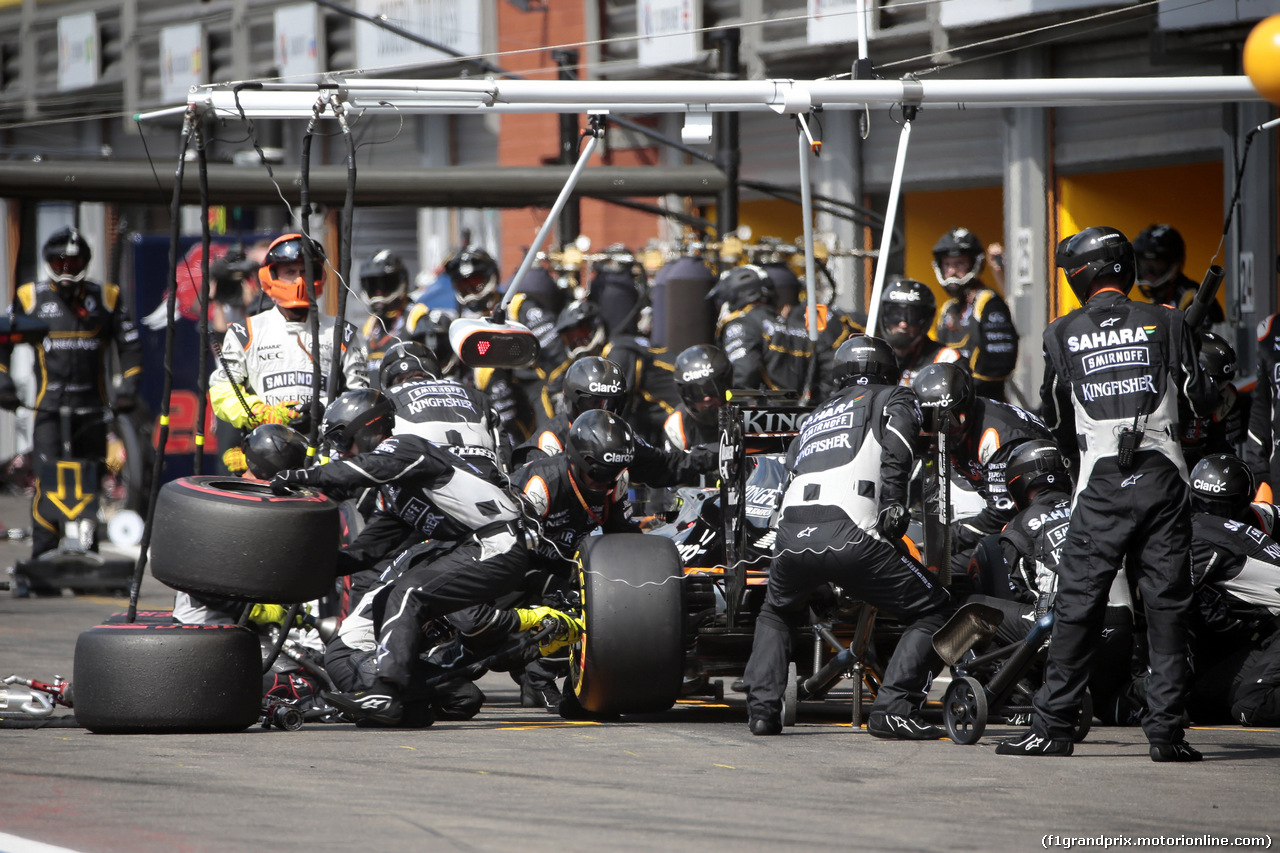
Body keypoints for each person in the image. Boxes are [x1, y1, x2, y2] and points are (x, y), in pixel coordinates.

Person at [996, 225, 1218, 760]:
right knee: (1167, 607)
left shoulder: (1060, 333)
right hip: (1165, 474)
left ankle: (1053, 726)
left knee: (1079, 603)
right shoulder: (1167, 320)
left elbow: (1053, 417)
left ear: (1080, 275)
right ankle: (1167, 733)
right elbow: (1202, 399)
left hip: (1100, 481)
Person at [268, 389, 533, 725]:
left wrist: (302, 476)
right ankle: (409, 702)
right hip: (472, 548)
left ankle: (386, 689)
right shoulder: (396, 492)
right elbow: (366, 552)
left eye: (341, 440)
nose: (339, 452)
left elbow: (363, 468)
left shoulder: (406, 447)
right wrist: (306, 570)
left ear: (365, 430)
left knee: (408, 592)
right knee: (400, 592)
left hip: (498, 543)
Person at [741, 335, 953, 739]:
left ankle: (763, 712)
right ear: (888, 370)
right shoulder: (896, 397)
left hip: (790, 535)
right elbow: (900, 445)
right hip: (851, 532)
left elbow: (789, 473)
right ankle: (893, 709)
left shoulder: (815, 416)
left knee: (776, 612)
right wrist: (894, 502)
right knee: (936, 610)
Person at [0, 227, 143, 561]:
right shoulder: (29, 296)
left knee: (91, 477)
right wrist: (4, 385)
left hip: (93, 408)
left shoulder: (106, 296)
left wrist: (127, 390)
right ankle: (43, 555)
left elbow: (131, 347)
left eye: (74, 261)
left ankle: (87, 553)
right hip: (47, 408)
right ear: (48, 262)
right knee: (46, 479)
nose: (66, 268)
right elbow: (2, 342)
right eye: (59, 262)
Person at [511, 409, 641, 711]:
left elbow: (623, 540)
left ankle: (577, 685)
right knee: (566, 603)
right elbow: (507, 555)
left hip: (562, 565)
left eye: (611, 474)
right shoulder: (539, 486)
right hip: (514, 569)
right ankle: (536, 676)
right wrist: (553, 586)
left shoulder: (616, 482)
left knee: (604, 600)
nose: (603, 482)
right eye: (597, 474)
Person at [208, 233, 369, 457]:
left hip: (325, 452)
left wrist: (324, 410)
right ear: (271, 276)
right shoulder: (245, 331)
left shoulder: (343, 332)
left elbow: (361, 397)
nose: (299, 280)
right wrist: (259, 412)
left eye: (305, 272)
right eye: (290, 273)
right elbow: (222, 391)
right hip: (266, 450)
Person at [911, 362, 1054, 580]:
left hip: (1042, 521)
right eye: (931, 420)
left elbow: (1001, 513)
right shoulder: (949, 433)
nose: (942, 428)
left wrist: (944, 540)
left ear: (965, 407)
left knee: (939, 566)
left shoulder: (995, 436)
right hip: (1015, 518)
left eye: (949, 419)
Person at [514, 356, 716, 488]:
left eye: (611, 404)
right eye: (593, 403)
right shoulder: (548, 444)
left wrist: (718, 452)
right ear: (571, 403)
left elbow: (665, 467)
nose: (603, 412)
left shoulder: (619, 434)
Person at [1183, 454, 1280, 727]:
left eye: (1223, 507)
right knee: (1201, 701)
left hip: (1271, 625)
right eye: (1202, 503)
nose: (1212, 513)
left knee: (1252, 704)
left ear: (1243, 501)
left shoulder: (1202, 538)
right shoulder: (1198, 528)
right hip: (1266, 631)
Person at [379, 340, 505, 478]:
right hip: (486, 482)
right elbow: (503, 451)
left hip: (426, 483)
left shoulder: (386, 398)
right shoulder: (475, 394)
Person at [931, 227, 1019, 401]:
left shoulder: (989, 302)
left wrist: (963, 390)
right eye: (947, 264)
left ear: (974, 264)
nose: (952, 271)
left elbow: (998, 365)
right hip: (950, 402)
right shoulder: (948, 308)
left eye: (959, 264)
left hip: (985, 403)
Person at [1133, 224, 1224, 327]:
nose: (1148, 274)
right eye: (1142, 265)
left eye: (1155, 265)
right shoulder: (1158, 300)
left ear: (1174, 264)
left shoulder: (1196, 299)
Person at [1181, 332, 1248, 469]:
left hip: (1204, 469)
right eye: (1215, 385)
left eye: (1223, 384)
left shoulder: (1227, 397)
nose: (1219, 391)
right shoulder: (1168, 396)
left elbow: (1221, 449)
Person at [877, 277, 961, 386]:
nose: (903, 324)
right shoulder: (871, 355)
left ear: (926, 320)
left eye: (912, 316)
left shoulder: (945, 360)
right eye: (896, 315)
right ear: (884, 316)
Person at [709, 265, 777, 390]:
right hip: (810, 406)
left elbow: (745, 372)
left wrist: (735, 397)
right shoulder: (786, 320)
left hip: (768, 405)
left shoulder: (740, 324)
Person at [357, 250, 413, 389]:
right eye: (373, 286)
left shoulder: (415, 316)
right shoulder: (370, 324)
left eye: (384, 285)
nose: (378, 293)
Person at [664, 344, 732, 452]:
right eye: (696, 392)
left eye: (712, 388)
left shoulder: (751, 408)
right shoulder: (677, 425)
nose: (707, 398)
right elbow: (675, 465)